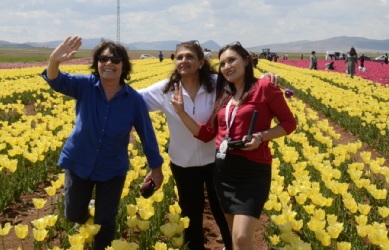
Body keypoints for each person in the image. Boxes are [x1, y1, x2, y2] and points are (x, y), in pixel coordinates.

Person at [139, 40, 280, 250]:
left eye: (189, 57)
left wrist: (267, 76)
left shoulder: (218, 84)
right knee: (190, 216)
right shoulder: (166, 89)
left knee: (222, 213)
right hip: (182, 162)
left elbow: (248, 84)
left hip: (217, 161)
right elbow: (131, 99)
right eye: (179, 57)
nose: (183, 60)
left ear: (201, 62)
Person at [170, 42, 296, 250]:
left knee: (242, 237)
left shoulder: (264, 88)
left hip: (252, 171)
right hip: (223, 173)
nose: (227, 66)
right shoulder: (224, 94)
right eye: (222, 64)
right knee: (233, 238)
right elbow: (205, 134)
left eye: (232, 60)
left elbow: (289, 123)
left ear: (246, 60)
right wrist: (182, 113)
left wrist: (261, 137)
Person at [42, 37, 164, 250]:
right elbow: (56, 81)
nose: (109, 63)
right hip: (79, 161)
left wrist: (156, 169)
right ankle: (88, 210)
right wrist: (54, 60)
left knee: (106, 222)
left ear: (123, 66)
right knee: (73, 214)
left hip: (112, 168)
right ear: (97, 64)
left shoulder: (134, 100)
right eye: (103, 58)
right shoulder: (85, 86)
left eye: (115, 59)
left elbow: (147, 135)